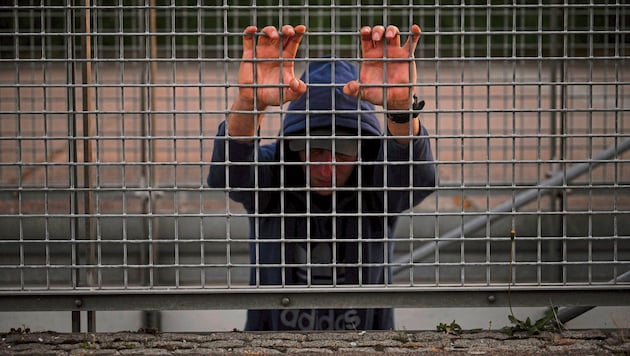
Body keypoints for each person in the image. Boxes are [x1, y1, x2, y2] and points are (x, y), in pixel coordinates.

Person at [208, 24, 436, 331]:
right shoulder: (276, 172)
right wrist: (249, 103)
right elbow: (231, 174)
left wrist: (399, 109)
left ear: (364, 148)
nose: (327, 167)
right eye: (313, 148)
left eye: (343, 149)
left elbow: (415, 177)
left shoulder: (374, 180)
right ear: (292, 144)